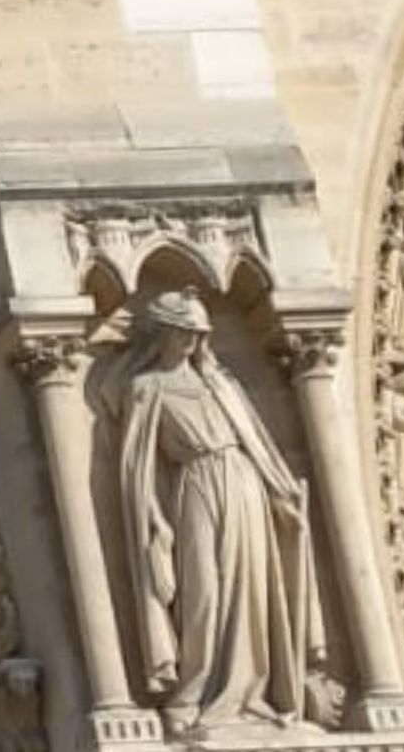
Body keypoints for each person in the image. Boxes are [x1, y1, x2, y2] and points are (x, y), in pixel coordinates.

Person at [113, 289, 321, 732]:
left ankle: (249, 693)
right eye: (182, 332)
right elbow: (137, 465)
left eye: (197, 333)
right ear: (163, 333)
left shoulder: (220, 383)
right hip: (195, 482)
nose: (190, 341)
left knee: (250, 589)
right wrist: (152, 516)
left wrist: (283, 494)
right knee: (203, 591)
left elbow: (257, 444)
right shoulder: (145, 388)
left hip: (242, 480)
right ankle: (194, 690)